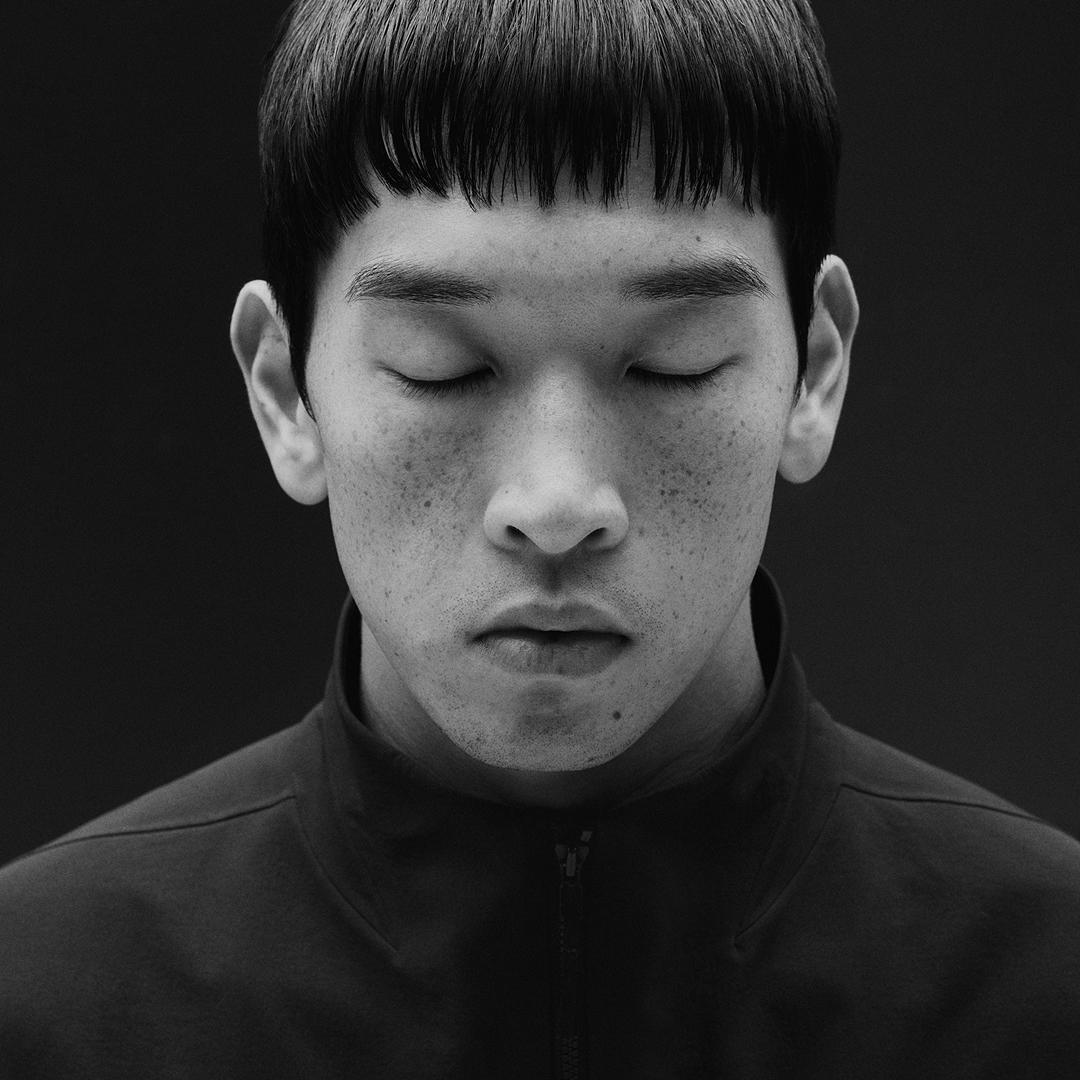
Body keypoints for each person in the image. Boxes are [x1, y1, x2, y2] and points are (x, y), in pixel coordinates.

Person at [1, 0, 1077, 1075]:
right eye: (441, 367)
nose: (557, 502)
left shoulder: (1042, 993)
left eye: (675, 364)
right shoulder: (44, 1006)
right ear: (285, 391)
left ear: (817, 369)